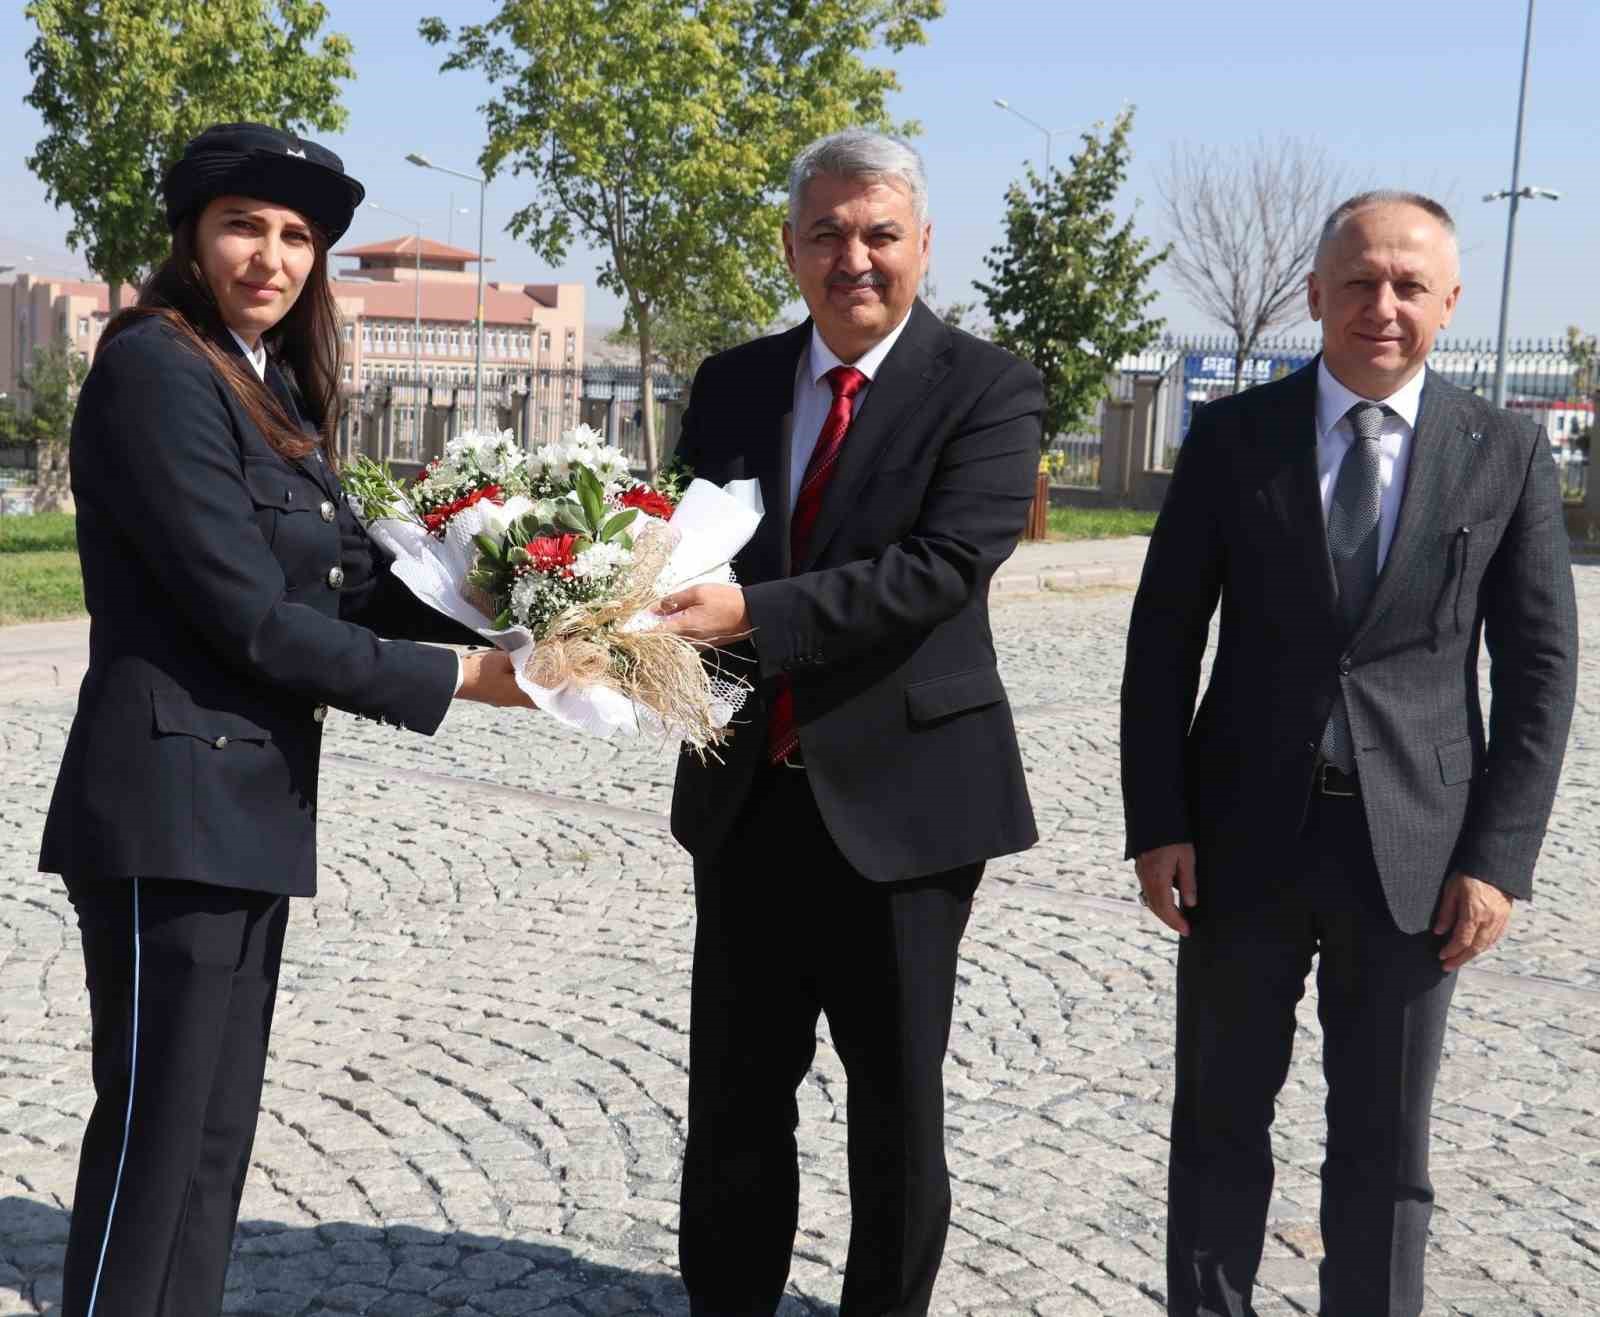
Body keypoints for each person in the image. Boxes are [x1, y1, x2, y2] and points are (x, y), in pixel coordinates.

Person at [37, 122, 530, 1317]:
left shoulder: (266, 379)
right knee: (159, 1142)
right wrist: (462, 684)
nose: (271, 255)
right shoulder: (156, 367)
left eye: (298, 236)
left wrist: (533, 604)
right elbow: (248, 615)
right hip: (167, 806)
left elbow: (347, 579)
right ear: (193, 240)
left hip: (245, 800)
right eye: (243, 226)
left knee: (211, 1142)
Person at [1120, 191, 1578, 1316]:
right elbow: (1162, 642)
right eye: (1360, 281)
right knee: (1218, 1129)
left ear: (1448, 303)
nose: (1383, 306)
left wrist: (1499, 857)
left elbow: (1538, 674)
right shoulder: (1232, 440)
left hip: (1417, 858)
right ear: (1315, 294)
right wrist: (1158, 823)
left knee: (1383, 1152)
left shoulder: (1504, 452)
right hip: (1238, 843)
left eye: (1409, 285)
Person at [654, 129, 1043, 1316]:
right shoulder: (728, 384)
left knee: (893, 1110)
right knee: (731, 1099)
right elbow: (678, 550)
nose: (853, 258)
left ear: (923, 244)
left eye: (879, 233)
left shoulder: (988, 386)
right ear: (789, 247)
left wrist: (748, 613)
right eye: (825, 233)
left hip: (908, 809)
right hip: (747, 801)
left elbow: (938, 568)